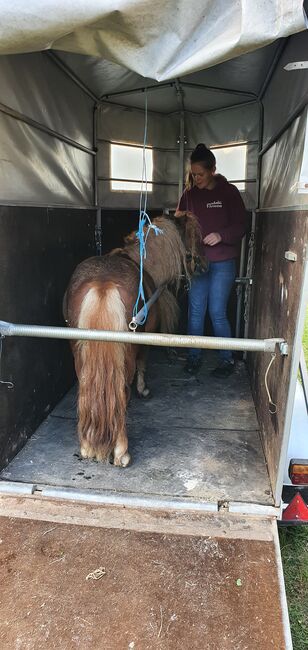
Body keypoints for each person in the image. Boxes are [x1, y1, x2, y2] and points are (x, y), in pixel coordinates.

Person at [176, 143, 247, 378]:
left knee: (217, 312)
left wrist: (221, 235)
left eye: (201, 174)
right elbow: (178, 219)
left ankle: (226, 360)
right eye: (193, 174)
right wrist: (181, 220)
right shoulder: (190, 194)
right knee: (195, 312)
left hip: (222, 262)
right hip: (199, 263)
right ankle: (194, 357)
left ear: (213, 170)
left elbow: (241, 227)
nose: (196, 178)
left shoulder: (229, 193)